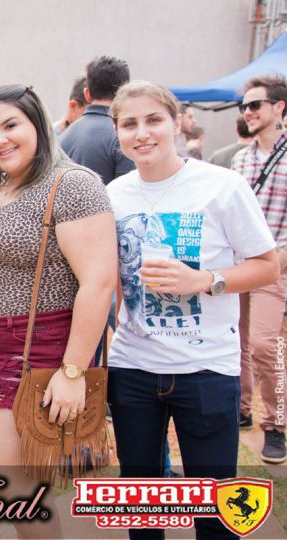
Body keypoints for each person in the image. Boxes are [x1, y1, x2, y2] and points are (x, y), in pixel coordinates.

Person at [107, 80, 279, 540]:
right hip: (133, 370)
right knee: (143, 512)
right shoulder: (114, 195)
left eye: (153, 120)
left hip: (206, 370)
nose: (142, 133)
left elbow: (267, 266)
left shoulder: (222, 186)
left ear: (177, 123)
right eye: (129, 124)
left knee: (216, 513)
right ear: (118, 132)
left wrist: (205, 280)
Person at [0, 84, 117, 538]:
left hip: (39, 344)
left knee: (10, 486)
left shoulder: (73, 185)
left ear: (38, 124)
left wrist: (73, 372)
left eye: (10, 125)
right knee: (23, 486)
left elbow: (99, 283)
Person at [232, 75, 287, 463]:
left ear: (279, 107)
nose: (248, 112)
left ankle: (276, 425)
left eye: (255, 105)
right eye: (244, 106)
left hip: (274, 265)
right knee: (236, 341)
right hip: (237, 265)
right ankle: (241, 408)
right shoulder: (241, 159)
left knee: (266, 344)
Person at [60, 55, 135, 185]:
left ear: (87, 94)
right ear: (125, 93)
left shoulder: (65, 135)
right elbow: (130, 189)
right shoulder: (123, 135)